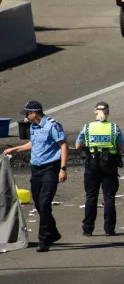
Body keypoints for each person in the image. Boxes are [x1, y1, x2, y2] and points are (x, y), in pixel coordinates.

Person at [3, 101, 68, 252]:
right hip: (36, 169)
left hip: (51, 168)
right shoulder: (33, 126)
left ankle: (44, 240)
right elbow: (34, 144)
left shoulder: (52, 125)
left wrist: (63, 169)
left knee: (45, 203)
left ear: (34, 113)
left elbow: (63, 145)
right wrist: (15, 149)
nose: (26, 117)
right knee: (39, 204)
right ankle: (53, 232)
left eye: (27, 113)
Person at [75, 102, 124, 236]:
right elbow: (121, 146)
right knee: (109, 198)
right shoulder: (114, 128)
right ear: (108, 113)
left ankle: (88, 229)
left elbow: (78, 146)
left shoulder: (87, 127)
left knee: (91, 196)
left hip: (92, 163)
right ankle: (109, 229)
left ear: (94, 113)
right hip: (109, 164)